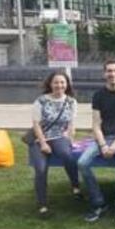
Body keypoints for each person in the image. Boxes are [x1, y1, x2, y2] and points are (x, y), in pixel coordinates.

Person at [77, 59, 115, 223]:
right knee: (82, 162)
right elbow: (95, 124)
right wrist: (103, 144)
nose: (113, 74)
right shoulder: (98, 95)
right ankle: (98, 203)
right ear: (104, 74)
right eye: (110, 71)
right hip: (103, 137)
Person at [28, 70, 80, 217]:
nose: (59, 85)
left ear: (67, 84)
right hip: (40, 138)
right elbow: (36, 124)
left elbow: (71, 124)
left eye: (62, 82)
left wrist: (70, 140)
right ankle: (42, 205)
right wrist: (43, 144)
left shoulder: (71, 102)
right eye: (56, 82)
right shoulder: (41, 101)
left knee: (67, 155)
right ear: (50, 84)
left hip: (58, 136)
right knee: (41, 169)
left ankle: (75, 186)